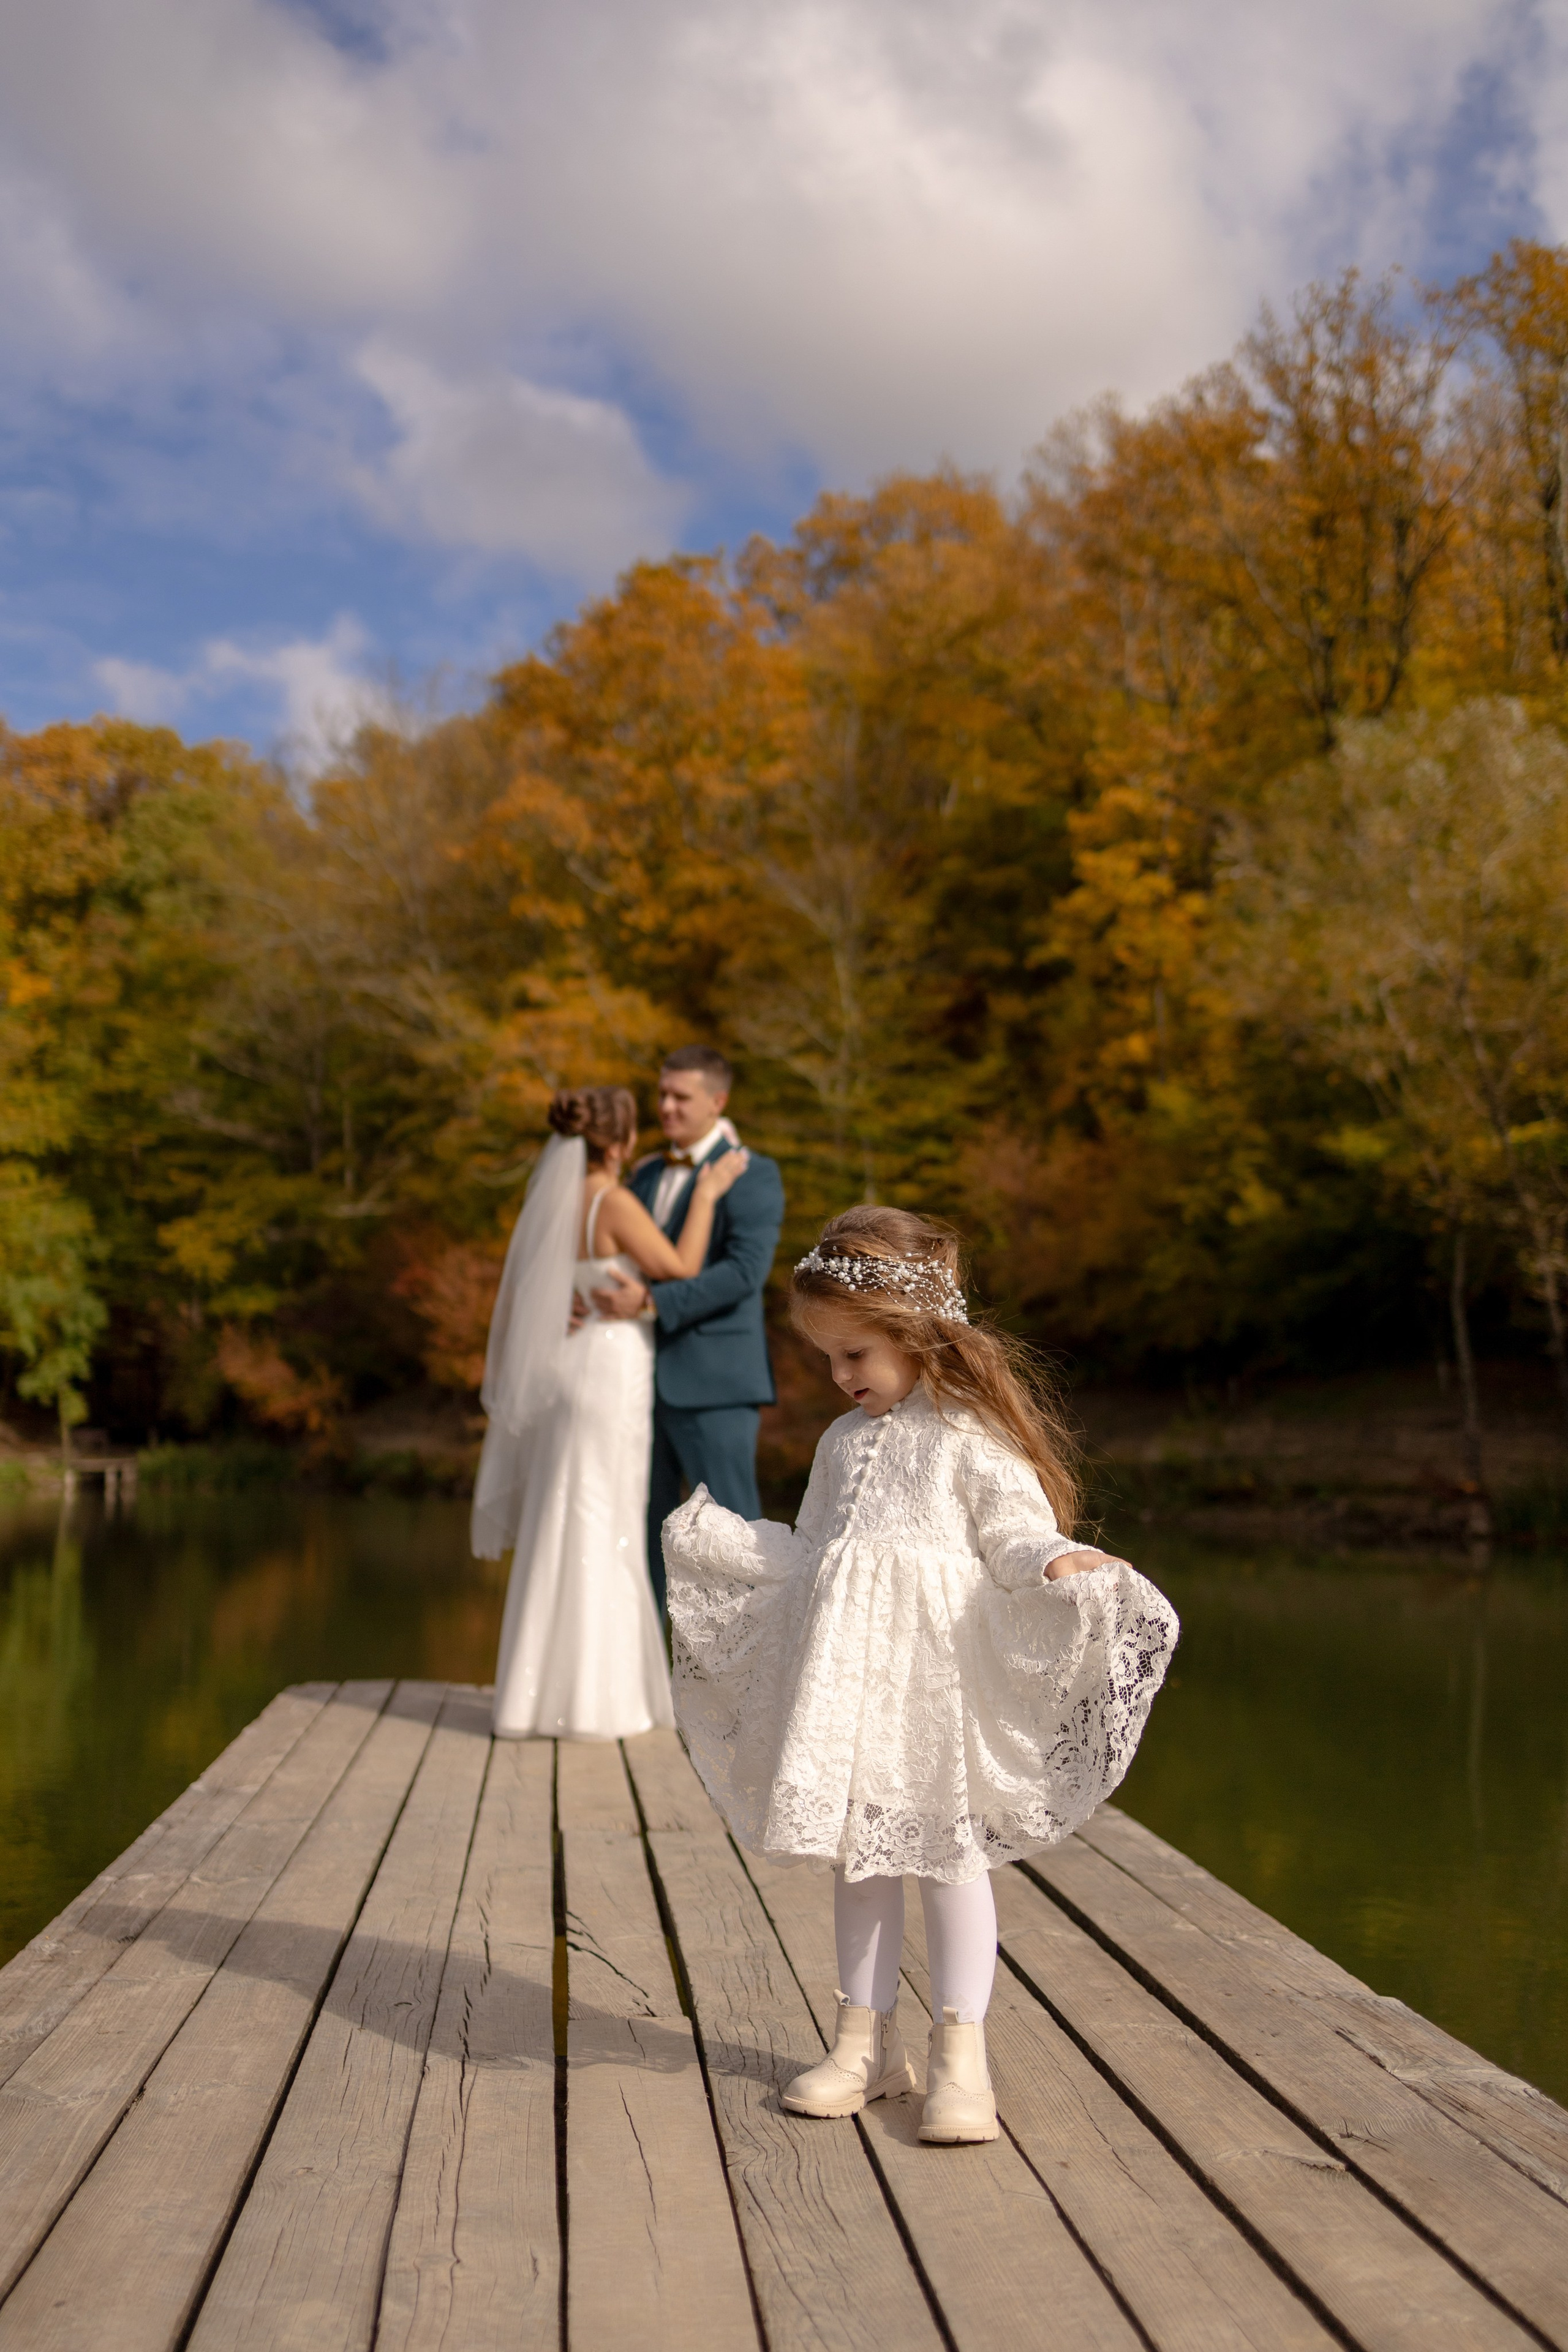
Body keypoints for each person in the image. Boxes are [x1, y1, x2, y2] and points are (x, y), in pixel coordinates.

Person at [661, 1205, 1179, 2146]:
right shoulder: (840, 1445)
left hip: (936, 1699)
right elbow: (813, 1554)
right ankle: (864, 2046)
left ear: (916, 1332)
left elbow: (1014, 1536)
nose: (840, 1376)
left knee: (947, 1864)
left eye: (854, 1354)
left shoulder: (971, 1439)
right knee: (859, 1862)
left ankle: (960, 2058)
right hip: (852, 1697)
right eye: (828, 1357)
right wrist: (731, 1549)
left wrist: (1056, 1561)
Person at [472, 1084, 750, 1740]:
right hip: (609, 1372)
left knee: (561, 1514)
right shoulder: (613, 1201)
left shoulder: (551, 1203)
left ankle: (533, 1699)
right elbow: (681, 1266)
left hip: (566, 1366)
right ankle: (599, 1702)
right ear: (620, 1142)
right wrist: (707, 1195)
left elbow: (526, 1297)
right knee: (604, 1517)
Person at [590, 1046, 785, 1618]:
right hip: (633, 1379)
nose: (667, 1107)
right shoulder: (646, 1173)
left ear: (718, 1101)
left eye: (681, 1096)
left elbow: (744, 1273)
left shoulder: (753, 1172)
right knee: (640, 1537)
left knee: (731, 1541)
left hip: (716, 1385)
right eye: (662, 1095)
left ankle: (749, 1665)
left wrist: (653, 1302)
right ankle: (652, 1666)